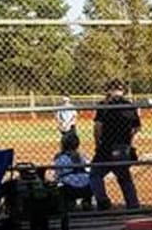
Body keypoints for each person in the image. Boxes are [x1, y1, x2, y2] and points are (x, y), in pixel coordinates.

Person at [90, 81, 141, 211]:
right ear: (122, 91)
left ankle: (103, 201)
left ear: (109, 90)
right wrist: (128, 139)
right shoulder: (129, 105)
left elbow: (98, 127)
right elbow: (136, 127)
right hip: (123, 146)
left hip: (106, 145)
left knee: (95, 174)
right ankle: (133, 205)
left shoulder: (104, 105)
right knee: (124, 177)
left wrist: (97, 143)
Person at [53, 130, 93, 211]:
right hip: (87, 188)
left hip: (70, 189)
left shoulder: (60, 157)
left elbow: (58, 174)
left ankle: (69, 202)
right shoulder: (81, 156)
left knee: (60, 183)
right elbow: (88, 170)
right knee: (90, 179)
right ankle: (86, 201)